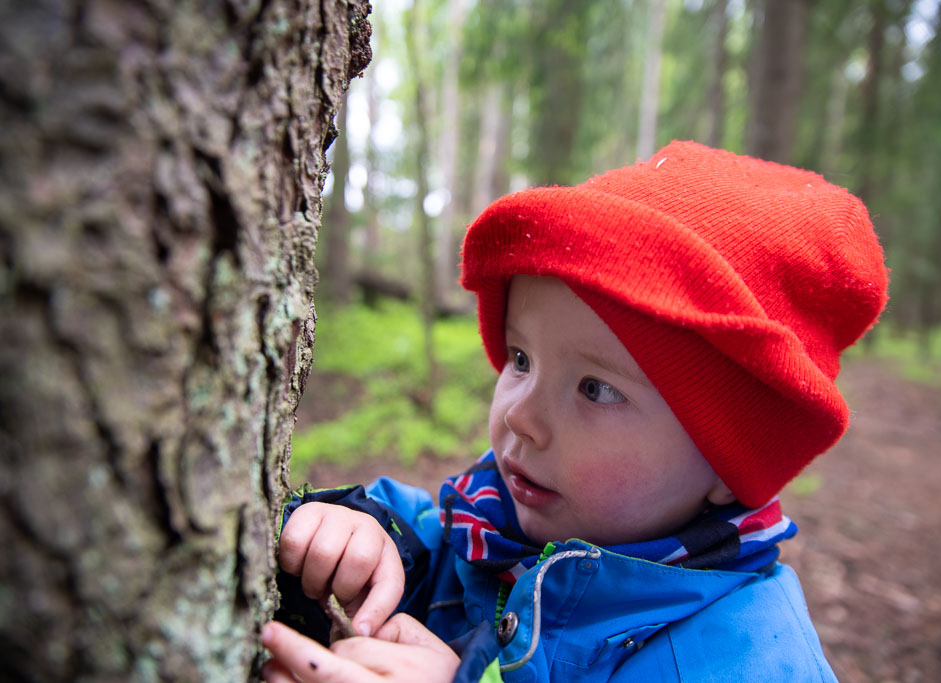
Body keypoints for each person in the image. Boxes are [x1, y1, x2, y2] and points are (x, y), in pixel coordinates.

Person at [260, 141, 888, 682]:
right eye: (521, 358)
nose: (520, 418)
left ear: (727, 460)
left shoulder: (747, 654)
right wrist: (365, 537)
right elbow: (424, 539)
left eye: (597, 388)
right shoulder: (484, 532)